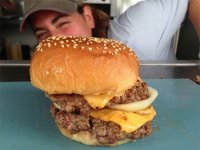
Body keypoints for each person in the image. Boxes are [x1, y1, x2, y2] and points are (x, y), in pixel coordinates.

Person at [20, 0, 200, 61]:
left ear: (88, 17)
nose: (55, 40)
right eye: (42, 34)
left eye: (63, 23)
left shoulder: (138, 30)